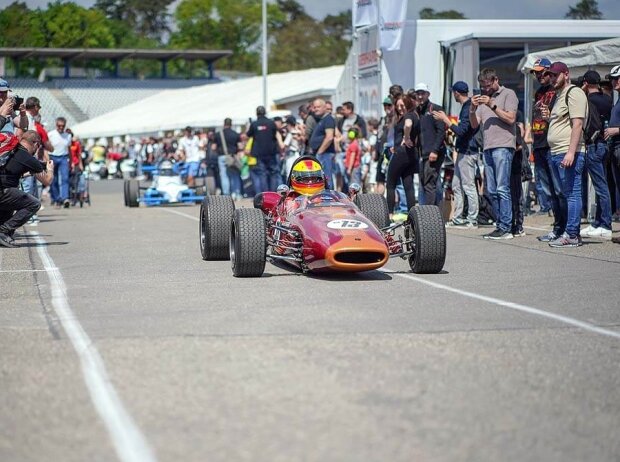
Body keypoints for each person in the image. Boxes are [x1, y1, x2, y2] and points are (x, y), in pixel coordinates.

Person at [542, 62, 588, 248]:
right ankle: (567, 232)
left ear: (566, 74)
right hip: (557, 151)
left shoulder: (574, 93)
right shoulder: (560, 95)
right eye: (551, 75)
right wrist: (549, 118)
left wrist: (571, 152)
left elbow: (577, 124)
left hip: (568, 151)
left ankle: (572, 234)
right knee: (565, 193)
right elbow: (562, 123)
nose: (552, 78)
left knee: (572, 193)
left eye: (555, 75)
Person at [469, 68, 519, 240]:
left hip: (503, 146)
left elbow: (511, 118)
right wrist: (472, 108)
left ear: (496, 80)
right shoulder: (483, 100)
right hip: (488, 148)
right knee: (491, 190)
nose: (485, 89)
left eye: (487, 85)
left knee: (502, 188)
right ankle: (500, 225)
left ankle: (506, 227)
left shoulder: (508, 94)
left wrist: (492, 104)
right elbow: (475, 124)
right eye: (482, 86)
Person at [433, 81, 479, 228]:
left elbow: (462, 131)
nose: (453, 94)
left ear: (456, 93)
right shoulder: (465, 107)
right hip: (463, 151)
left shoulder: (467, 108)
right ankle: (458, 217)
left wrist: (446, 120)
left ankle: (472, 219)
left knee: (468, 185)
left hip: (468, 151)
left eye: (453, 92)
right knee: (457, 185)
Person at [0, 131, 53, 247]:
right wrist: (50, 169)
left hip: (3, 190)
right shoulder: (27, 157)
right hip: (5, 192)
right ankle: (3, 231)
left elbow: (14, 170)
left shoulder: (11, 150)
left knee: (12, 202)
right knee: (34, 204)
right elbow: (47, 180)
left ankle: (4, 235)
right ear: (36, 144)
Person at [579, 70, 613, 240]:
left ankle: (605, 224)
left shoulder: (587, 100)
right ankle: (598, 223)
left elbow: (586, 123)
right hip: (605, 144)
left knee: (600, 186)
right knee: (602, 184)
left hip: (593, 144)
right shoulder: (607, 98)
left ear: (585, 83)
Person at [530, 58, 556, 223]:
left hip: (551, 140)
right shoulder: (538, 91)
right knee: (541, 178)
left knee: (554, 180)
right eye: (536, 73)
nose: (539, 75)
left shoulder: (556, 90)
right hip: (538, 140)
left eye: (541, 72)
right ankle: (546, 207)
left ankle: (555, 209)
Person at [386, 95, 419, 220]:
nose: (400, 108)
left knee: (391, 183)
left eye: (403, 105)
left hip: (402, 153)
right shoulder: (415, 115)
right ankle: (412, 216)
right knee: (408, 185)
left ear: (408, 105)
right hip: (411, 154)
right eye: (398, 106)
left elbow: (408, 125)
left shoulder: (409, 116)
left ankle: (389, 214)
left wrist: (406, 137)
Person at [414, 83, 446, 206]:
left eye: (423, 93)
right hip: (423, 153)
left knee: (430, 183)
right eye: (418, 93)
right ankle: (433, 212)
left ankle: (430, 214)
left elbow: (441, 131)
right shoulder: (418, 111)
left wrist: (435, 150)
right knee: (424, 182)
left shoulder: (436, 109)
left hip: (433, 153)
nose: (420, 96)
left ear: (428, 94)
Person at [246, 106, 284, 193]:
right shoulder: (271, 123)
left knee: (262, 174)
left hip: (260, 154)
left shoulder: (254, 124)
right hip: (271, 152)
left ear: (257, 113)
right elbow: (275, 133)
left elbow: (248, 134)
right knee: (273, 173)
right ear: (265, 112)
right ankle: (274, 193)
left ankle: (265, 195)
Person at [604, 65, 620, 244]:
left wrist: (616, 130)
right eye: (613, 79)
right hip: (615, 148)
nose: (614, 82)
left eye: (617, 78)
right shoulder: (617, 99)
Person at [309, 98, 336, 188]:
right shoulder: (321, 120)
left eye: (318, 107)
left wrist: (320, 152)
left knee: (327, 179)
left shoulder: (328, 119)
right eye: (315, 107)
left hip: (325, 154)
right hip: (322, 154)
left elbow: (329, 137)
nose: (316, 109)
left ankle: (329, 199)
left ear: (325, 107)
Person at [48, 117, 72, 208]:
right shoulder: (51, 134)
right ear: (56, 125)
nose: (61, 127)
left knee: (65, 178)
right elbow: (46, 146)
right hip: (53, 157)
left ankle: (65, 198)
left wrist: (71, 161)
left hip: (63, 157)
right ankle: (57, 199)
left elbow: (69, 149)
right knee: (54, 179)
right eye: (59, 126)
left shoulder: (68, 135)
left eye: (63, 126)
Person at [216, 118, 242, 198]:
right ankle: (237, 193)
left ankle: (226, 195)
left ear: (224, 124)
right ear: (231, 124)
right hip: (233, 156)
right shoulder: (235, 134)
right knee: (235, 175)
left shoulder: (218, 134)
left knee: (224, 176)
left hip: (222, 156)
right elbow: (240, 146)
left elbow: (214, 147)